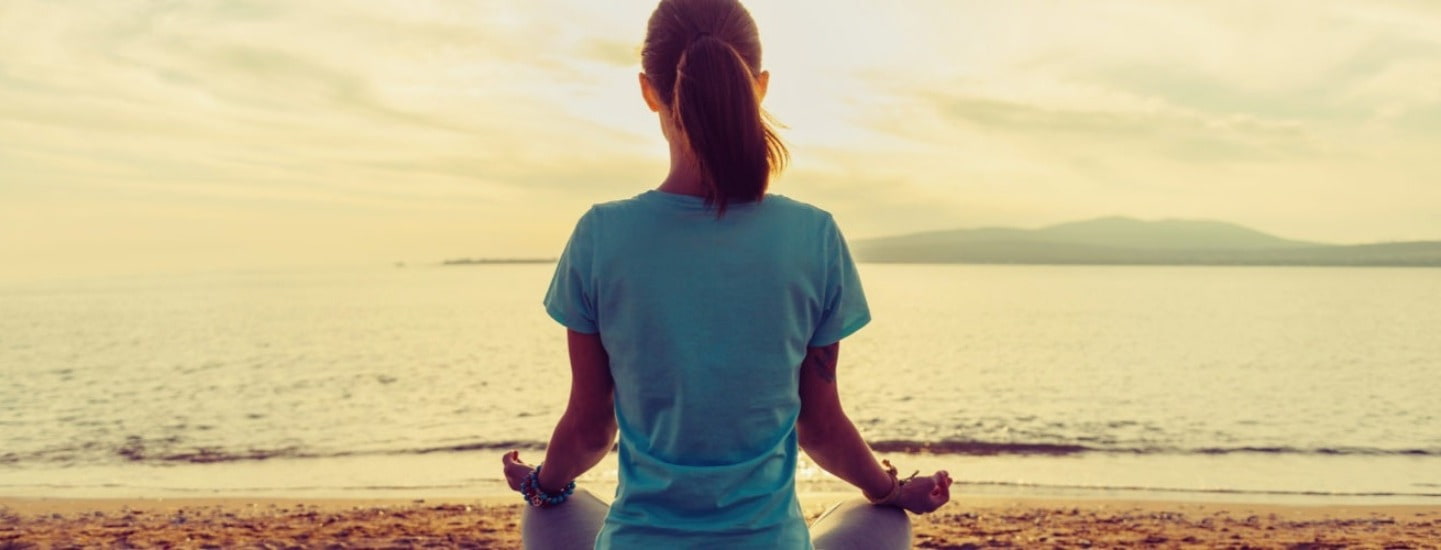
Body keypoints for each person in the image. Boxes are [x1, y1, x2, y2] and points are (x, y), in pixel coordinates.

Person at [501, 0, 952, 547]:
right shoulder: (814, 237)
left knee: (545, 511)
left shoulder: (601, 235)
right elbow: (821, 426)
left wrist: (541, 485)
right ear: (759, 86)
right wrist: (890, 489)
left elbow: (592, 427)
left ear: (649, 91)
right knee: (885, 520)